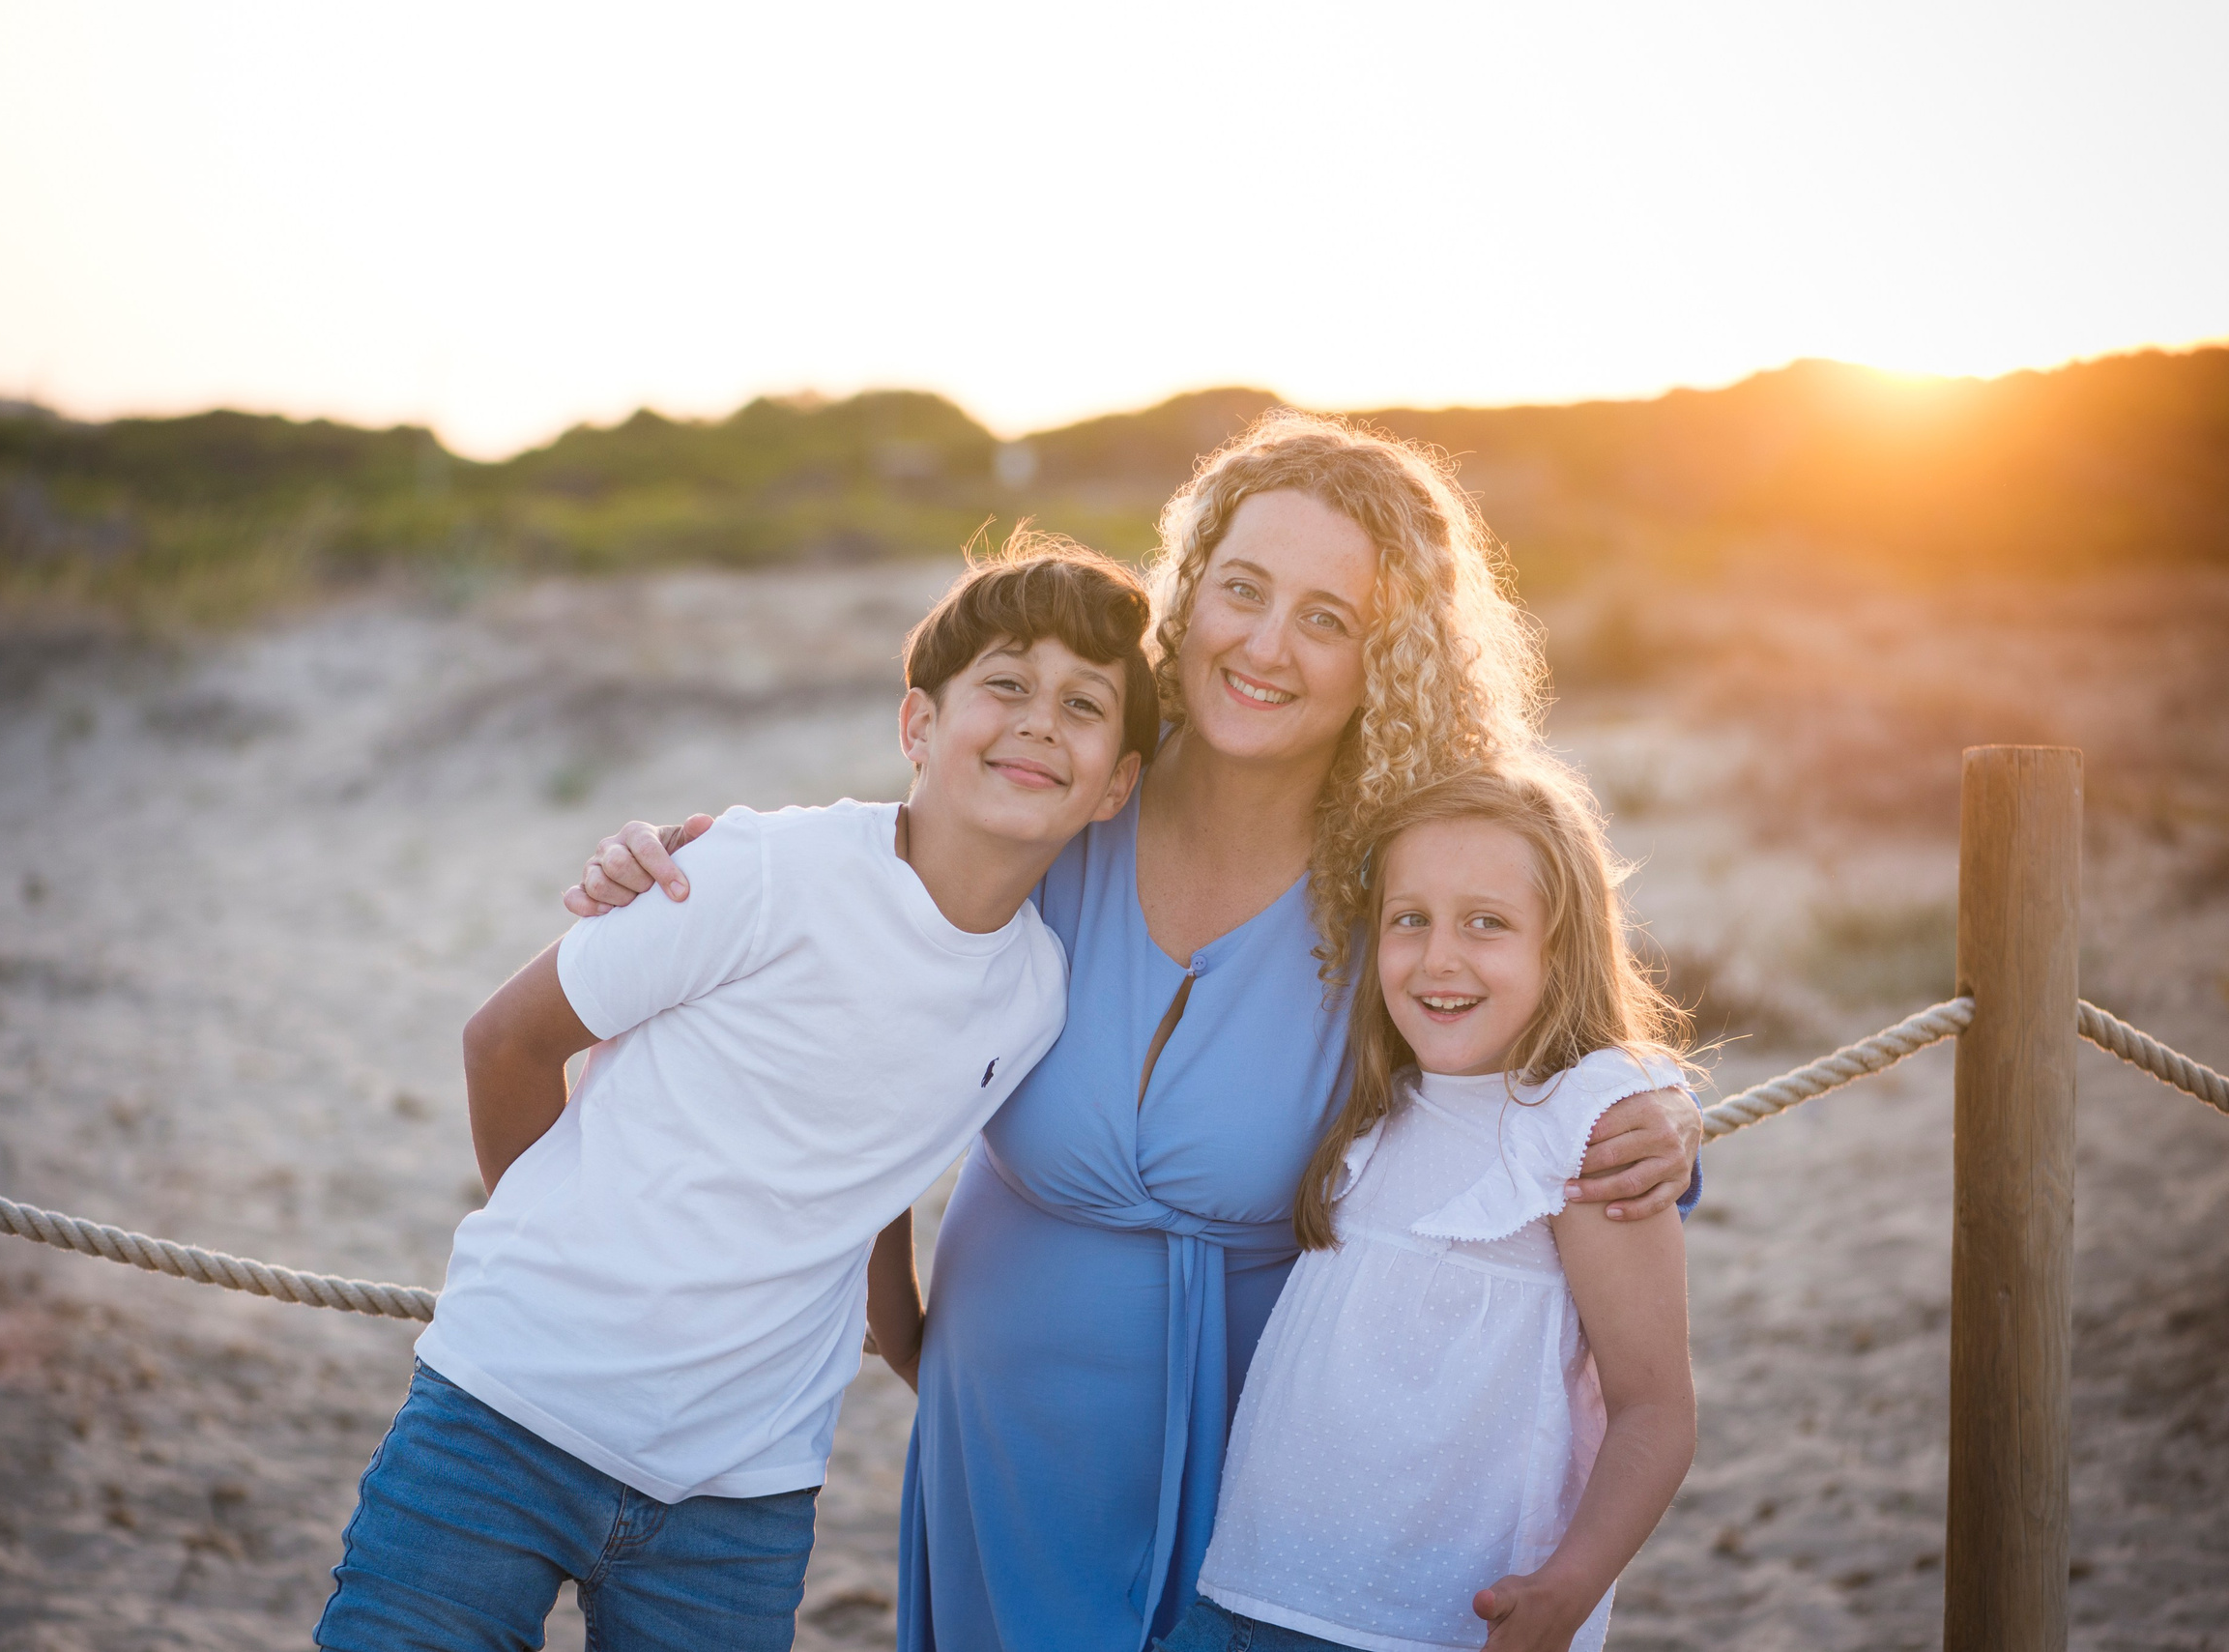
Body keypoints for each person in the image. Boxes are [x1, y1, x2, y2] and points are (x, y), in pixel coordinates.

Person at [569, 412, 1704, 1652]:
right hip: (1002, 1430)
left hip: (1265, 1449)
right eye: (1242, 589)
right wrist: (678, 859)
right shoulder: (1068, 789)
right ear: (1187, 591)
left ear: (1388, 657)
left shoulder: (1399, 866)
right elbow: (856, 930)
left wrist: (1662, 1105)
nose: (1265, 645)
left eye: (1327, 617)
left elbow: (1543, 1025)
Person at [312, 535, 1159, 1652]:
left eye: (1082, 704)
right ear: (917, 723)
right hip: (507, 1411)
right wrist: (565, 1249)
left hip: (740, 1494)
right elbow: (504, 1041)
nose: (1040, 721)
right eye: (1005, 684)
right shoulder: (760, 870)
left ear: (1117, 784)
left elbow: (875, 1166)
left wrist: (914, 1346)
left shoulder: (1035, 993)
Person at [1166, 758, 1695, 1652]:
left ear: (1559, 946)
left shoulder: (1586, 1124)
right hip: (1244, 1599)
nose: (1439, 957)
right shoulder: (1374, 1100)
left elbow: (1656, 1407)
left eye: (1487, 923)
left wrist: (1565, 1589)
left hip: (1426, 1626)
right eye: (1409, 919)